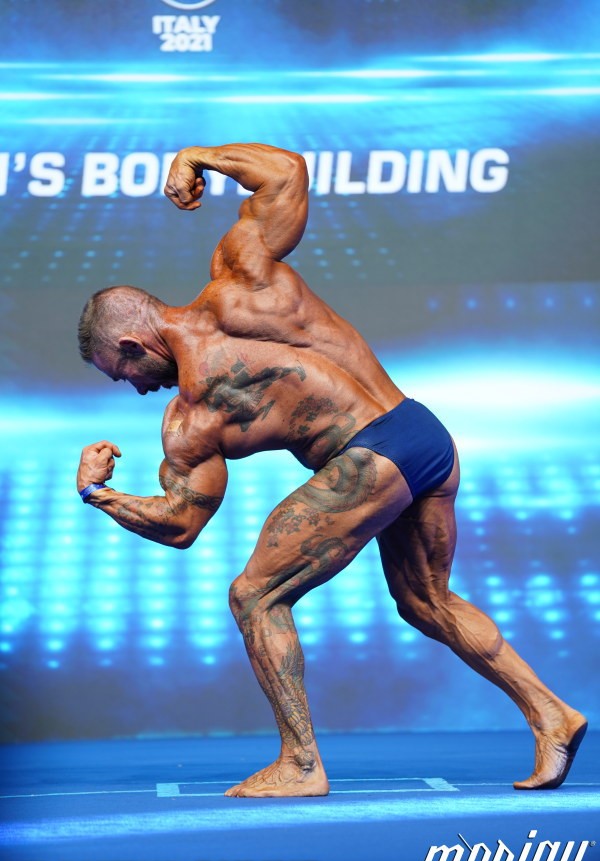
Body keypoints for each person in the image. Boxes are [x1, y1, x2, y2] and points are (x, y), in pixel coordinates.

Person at [76, 142, 586, 798]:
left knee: (255, 595)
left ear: (130, 344)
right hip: (424, 435)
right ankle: (552, 714)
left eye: (124, 374)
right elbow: (285, 171)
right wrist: (197, 158)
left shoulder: (193, 415)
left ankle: (300, 763)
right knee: (426, 600)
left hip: (370, 458)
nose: (137, 388)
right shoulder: (243, 277)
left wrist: (97, 491)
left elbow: (180, 523)